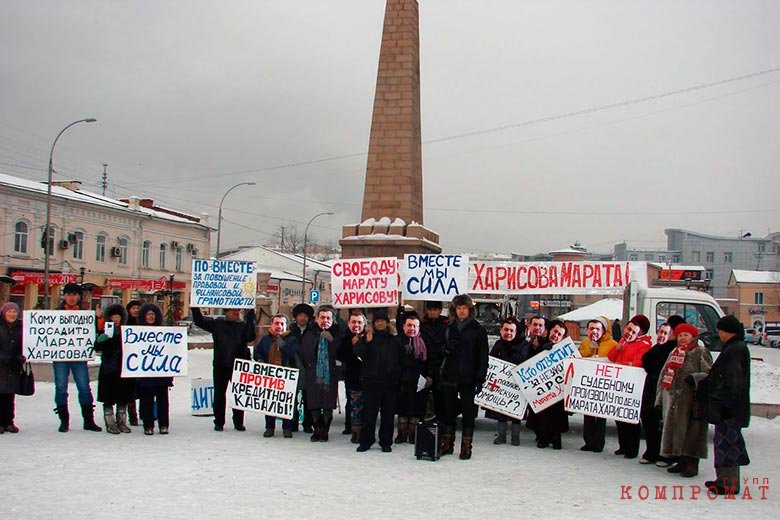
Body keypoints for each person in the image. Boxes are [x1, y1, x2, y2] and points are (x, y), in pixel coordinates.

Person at [656, 323, 713, 478]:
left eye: (686, 335)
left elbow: (709, 373)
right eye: (680, 335)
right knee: (677, 430)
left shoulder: (700, 351)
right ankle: (681, 460)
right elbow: (664, 373)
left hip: (692, 399)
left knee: (692, 432)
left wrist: (694, 378)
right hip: (674, 398)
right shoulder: (674, 352)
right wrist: (660, 395)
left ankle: (692, 464)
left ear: (693, 336)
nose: (682, 338)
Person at [702, 316, 751, 495]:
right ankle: (722, 479)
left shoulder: (735, 350)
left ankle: (728, 484)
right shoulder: (734, 347)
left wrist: (720, 399)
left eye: (720, 330)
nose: (719, 333)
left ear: (727, 331)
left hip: (729, 408)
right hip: (729, 407)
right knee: (723, 443)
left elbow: (733, 381)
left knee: (728, 444)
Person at [192, 306, 257, 432]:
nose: (236, 313)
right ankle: (219, 422)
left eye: (238, 311)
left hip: (238, 365)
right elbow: (200, 321)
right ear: (226, 312)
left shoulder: (242, 325)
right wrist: (195, 307)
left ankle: (238, 422)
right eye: (233, 311)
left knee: (238, 394)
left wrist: (250, 316)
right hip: (221, 364)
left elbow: (250, 337)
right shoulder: (217, 324)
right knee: (219, 395)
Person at [440, 294, 489, 460]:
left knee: (468, 413)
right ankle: (447, 443)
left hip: (469, 377)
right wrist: (446, 350)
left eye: (464, 308)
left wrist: (480, 378)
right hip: (450, 375)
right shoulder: (449, 327)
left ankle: (466, 446)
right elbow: (441, 350)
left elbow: (483, 357)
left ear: (470, 310)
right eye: (458, 308)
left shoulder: (478, 329)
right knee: (448, 412)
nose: (461, 311)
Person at [53, 283, 102, 433]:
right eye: (69, 294)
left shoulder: (85, 314)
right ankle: (64, 420)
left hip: (79, 357)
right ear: (64, 296)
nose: (71, 298)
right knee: (61, 387)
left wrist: (98, 318)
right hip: (61, 356)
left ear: (79, 296)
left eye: (74, 295)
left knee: (84, 387)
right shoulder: (55, 313)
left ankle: (88, 420)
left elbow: (96, 330)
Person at [354, 310, 403, 453]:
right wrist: (366, 341)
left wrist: (397, 376)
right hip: (371, 382)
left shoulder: (395, 340)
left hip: (390, 383)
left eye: (382, 321)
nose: (380, 323)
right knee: (369, 414)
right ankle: (366, 441)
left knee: (388, 415)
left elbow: (401, 359)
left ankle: (386, 442)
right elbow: (358, 352)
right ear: (373, 324)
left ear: (387, 323)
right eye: (377, 321)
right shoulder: (368, 337)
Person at [639, 315, 685, 466]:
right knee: (649, 418)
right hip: (653, 387)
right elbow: (646, 360)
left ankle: (665, 454)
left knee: (664, 422)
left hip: (668, 389)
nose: (665, 334)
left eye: (669, 331)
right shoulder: (659, 347)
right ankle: (651, 451)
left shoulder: (678, 349)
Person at [607, 314, 652, 459]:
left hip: (632, 385)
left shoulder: (644, 344)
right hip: (620, 383)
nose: (629, 332)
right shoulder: (624, 341)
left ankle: (632, 449)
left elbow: (640, 363)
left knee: (631, 418)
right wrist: (617, 348)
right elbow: (611, 357)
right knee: (619, 416)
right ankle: (623, 446)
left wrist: (624, 365)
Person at [525, 319, 570, 450]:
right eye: (555, 331)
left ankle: (556, 437)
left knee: (556, 414)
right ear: (550, 330)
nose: (556, 335)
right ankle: (543, 437)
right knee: (541, 414)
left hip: (557, 388)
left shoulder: (565, 349)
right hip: (541, 388)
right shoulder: (539, 343)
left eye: (559, 334)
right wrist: (540, 350)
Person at [253, 313, 299, 438]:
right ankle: (269, 427)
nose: (279, 326)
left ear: (286, 326)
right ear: (272, 325)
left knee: (286, 402)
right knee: (269, 401)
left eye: (282, 324)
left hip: (286, 375)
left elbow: (292, 353)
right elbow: (257, 353)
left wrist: (282, 344)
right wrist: (260, 360)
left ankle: (287, 428)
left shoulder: (292, 339)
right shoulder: (265, 339)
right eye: (276, 323)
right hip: (270, 375)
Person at [300, 305, 340, 442]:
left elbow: (340, 354)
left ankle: (325, 430)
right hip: (313, 373)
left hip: (330, 374)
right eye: (322, 317)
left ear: (332, 319)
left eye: (328, 318)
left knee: (328, 403)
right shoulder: (310, 333)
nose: (325, 320)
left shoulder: (337, 333)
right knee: (314, 402)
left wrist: (332, 341)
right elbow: (305, 352)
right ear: (317, 318)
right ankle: (317, 429)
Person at [94, 304, 136, 434]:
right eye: (113, 317)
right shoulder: (105, 331)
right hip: (108, 369)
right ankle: (110, 422)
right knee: (108, 397)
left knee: (123, 396)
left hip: (123, 369)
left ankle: (122, 421)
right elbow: (97, 348)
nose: (116, 319)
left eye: (118, 317)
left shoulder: (126, 331)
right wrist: (100, 340)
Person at [578, 316, 617, 452]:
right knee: (587, 413)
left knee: (601, 415)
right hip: (588, 384)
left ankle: (599, 443)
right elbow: (580, 357)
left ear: (604, 330)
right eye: (591, 328)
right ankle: (588, 442)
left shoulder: (612, 344)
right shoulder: (585, 342)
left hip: (603, 385)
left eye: (597, 329)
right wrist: (590, 348)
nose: (594, 331)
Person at [487, 317, 525, 446]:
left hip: (516, 384)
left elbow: (523, 361)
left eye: (511, 330)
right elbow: (491, 360)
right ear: (501, 330)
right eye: (506, 330)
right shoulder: (498, 344)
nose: (508, 333)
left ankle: (515, 437)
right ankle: (501, 436)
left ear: (516, 332)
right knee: (500, 410)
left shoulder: (523, 344)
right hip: (501, 383)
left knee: (516, 410)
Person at [137, 303, 173, 435]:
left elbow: (171, 351)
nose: (150, 317)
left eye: (153, 314)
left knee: (163, 400)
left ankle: (164, 424)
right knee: (147, 400)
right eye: (148, 314)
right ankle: (148, 425)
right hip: (146, 372)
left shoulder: (164, 331)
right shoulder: (138, 332)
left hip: (161, 372)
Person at [396, 312, 431, 445]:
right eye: (409, 325)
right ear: (404, 326)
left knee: (417, 408)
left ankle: (413, 435)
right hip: (402, 380)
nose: (412, 329)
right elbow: (393, 360)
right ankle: (401, 434)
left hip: (419, 380)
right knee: (402, 408)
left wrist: (429, 375)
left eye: (415, 326)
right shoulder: (398, 340)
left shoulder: (424, 340)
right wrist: (404, 353)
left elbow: (430, 360)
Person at [337, 312, 366, 443]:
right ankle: (350, 426)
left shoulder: (369, 337)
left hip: (368, 377)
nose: (356, 325)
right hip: (352, 375)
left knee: (367, 404)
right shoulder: (345, 338)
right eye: (353, 322)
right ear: (349, 324)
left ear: (364, 324)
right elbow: (340, 356)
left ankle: (365, 428)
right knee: (352, 402)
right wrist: (351, 345)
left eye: (359, 322)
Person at [420, 300, 450, 421]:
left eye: (435, 310)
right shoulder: (421, 324)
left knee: (440, 399)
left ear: (440, 310)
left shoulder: (447, 324)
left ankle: (440, 425)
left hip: (441, 366)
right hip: (425, 365)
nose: (432, 312)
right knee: (423, 398)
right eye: (430, 310)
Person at [289, 303, 315, 433]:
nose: (302, 318)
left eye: (305, 316)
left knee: (308, 397)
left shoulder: (312, 331)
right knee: (291, 396)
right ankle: (293, 421)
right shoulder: (290, 330)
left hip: (308, 367)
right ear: (296, 317)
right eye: (300, 315)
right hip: (293, 366)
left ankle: (307, 423)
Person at [0, 302, 24, 433]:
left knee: (10, 396)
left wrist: (21, 357)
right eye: (9, 311)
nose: (12, 314)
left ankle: (8, 422)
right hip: (2, 365)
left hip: (14, 366)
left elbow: (26, 344)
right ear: (4, 313)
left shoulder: (21, 327)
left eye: (15, 311)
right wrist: (4, 358)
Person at [124, 299, 142, 425]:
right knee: (130, 390)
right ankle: (132, 415)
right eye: (133, 308)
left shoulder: (145, 323)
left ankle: (145, 413)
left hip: (144, 360)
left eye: (138, 308)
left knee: (144, 389)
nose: (136, 310)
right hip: (129, 361)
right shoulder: (125, 324)